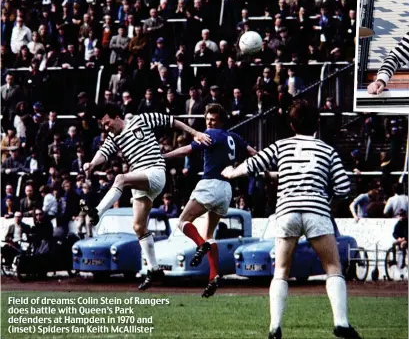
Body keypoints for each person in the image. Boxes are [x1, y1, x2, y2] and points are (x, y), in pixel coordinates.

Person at [221, 100, 361, 339]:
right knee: (333, 267)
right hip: (316, 210)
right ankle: (341, 323)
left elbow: (254, 164)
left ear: (291, 124)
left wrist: (232, 173)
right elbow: (344, 187)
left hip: (286, 211)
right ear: (317, 122)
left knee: (281, 271)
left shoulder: (281, 146)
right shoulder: (327, 150)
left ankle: (274, 327)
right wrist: (326, 198)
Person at [82, 104, 211, 290]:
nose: (106, 128)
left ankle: (97, 213)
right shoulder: (113, 137)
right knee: (138, 227)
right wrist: (92, 164)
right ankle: (154, 269)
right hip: (140, 180)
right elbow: (104, 152)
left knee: (120, 178)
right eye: (103, 125)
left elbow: (171, 121)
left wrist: (195, 132)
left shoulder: (141, 120)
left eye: (108, 123)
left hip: (155, 172)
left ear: (117, 116)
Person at [164, 104, 257, 297]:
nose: (209, 123)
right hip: (226, 189)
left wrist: (163, 156)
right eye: (207, 120)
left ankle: (200, 245)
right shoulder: (234, 137)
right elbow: (253, 153)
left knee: (182, 222)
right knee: (209, 233)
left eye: (212, 120)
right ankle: (214, 276)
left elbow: (186, 151)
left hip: (210, 184)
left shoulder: (210, 135)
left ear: (220, 121)